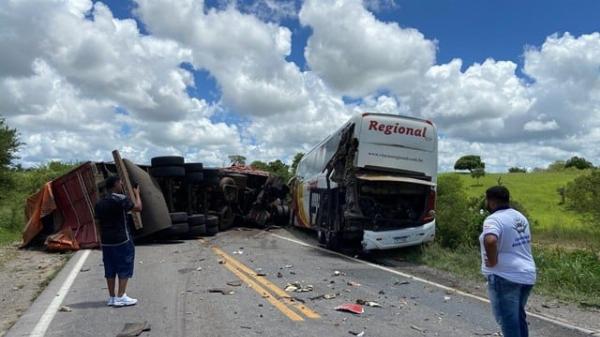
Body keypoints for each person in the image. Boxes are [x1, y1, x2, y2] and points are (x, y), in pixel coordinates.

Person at [480, 186, 536, 337]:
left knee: (507, 321)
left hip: (505, 276)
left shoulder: (494, 219)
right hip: (526, 274)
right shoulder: (519, 216)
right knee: (517, 318)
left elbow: (490, 240)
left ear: (491, 201)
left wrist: (492, 261)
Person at [95, 175, 142, 307]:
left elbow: (97, 222)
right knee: (124, 266)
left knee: (110, 268)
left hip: (106, 241)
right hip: (122, 239)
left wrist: (100, 238)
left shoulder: (99, 202)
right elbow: (138, 208)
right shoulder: (120, 199)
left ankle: (112, 297)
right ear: (115, 184)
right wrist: (137, 194)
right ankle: (121, 296)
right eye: (121, 183)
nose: (122, 185)